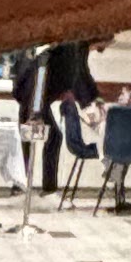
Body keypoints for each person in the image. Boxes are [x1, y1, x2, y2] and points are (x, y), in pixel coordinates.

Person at [39, 40, 97, 196]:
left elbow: (81, 76)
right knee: (53, 137)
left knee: (54, 137)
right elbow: (79, 76)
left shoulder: (77, 48)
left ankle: (48, 188)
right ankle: (47, 189)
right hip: (37, 94)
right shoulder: (73, 48)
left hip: (43, 93)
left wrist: (88, 100)